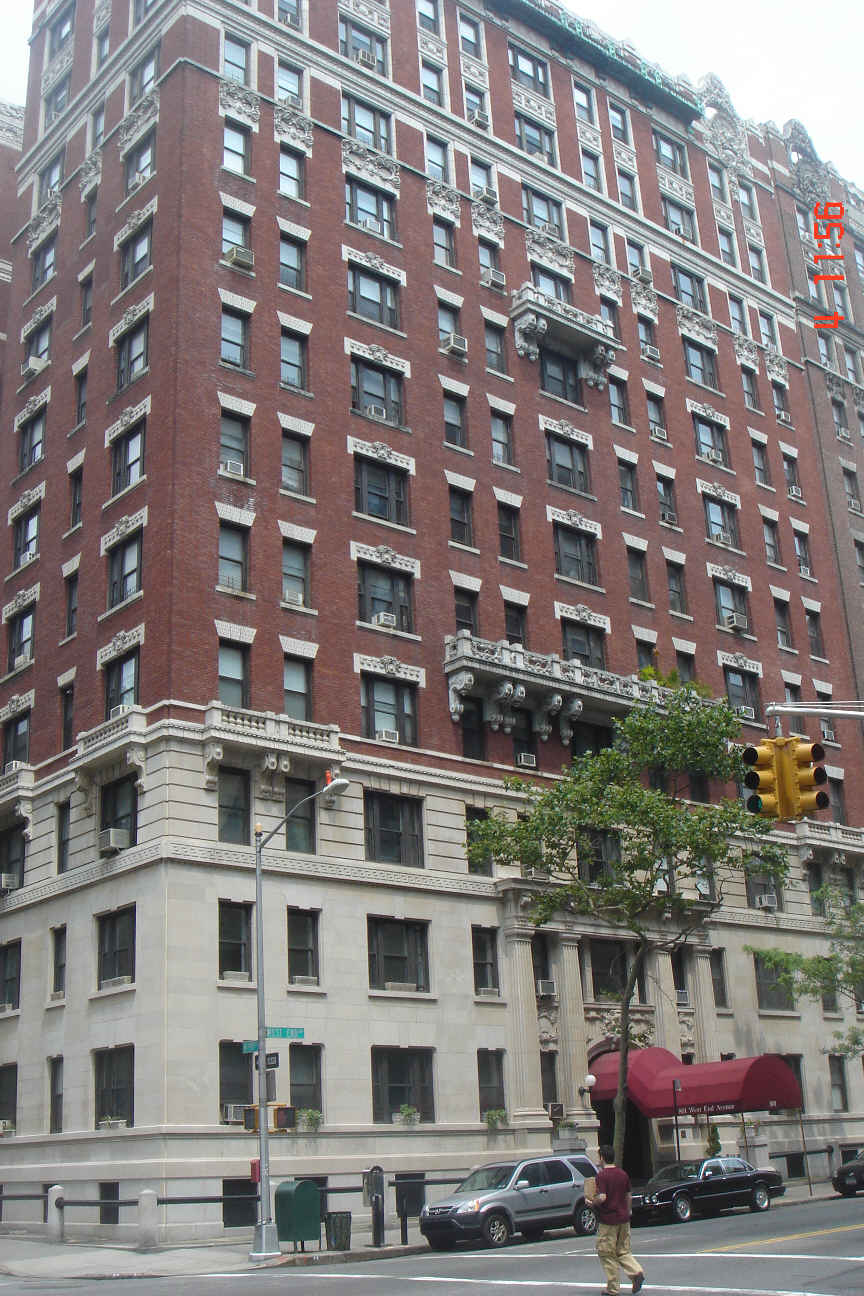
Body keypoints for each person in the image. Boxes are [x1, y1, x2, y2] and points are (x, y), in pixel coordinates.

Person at [586, 1144, 645, 1296]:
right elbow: (628, 1195)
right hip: (624, 1218)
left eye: (599, 1156)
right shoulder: (623, 1174)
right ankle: (636, 1272)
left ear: (602, 1158)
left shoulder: (602, 1176)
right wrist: (628, 1211)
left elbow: (602, 1197)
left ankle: (613, 1288)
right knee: (623, 1251)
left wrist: (592, 1202)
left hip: (608, 1220)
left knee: (606, 1252)